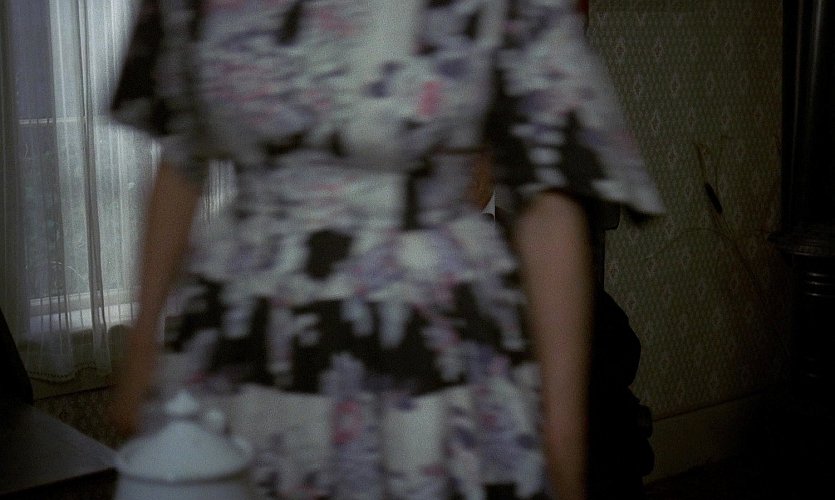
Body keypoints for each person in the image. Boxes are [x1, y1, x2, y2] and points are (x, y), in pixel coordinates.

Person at [108, 1, 663, 499]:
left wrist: (563, 438)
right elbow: (181, 156)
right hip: (240, 345)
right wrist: (142, 342)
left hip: (423, 346)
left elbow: (549, 202)